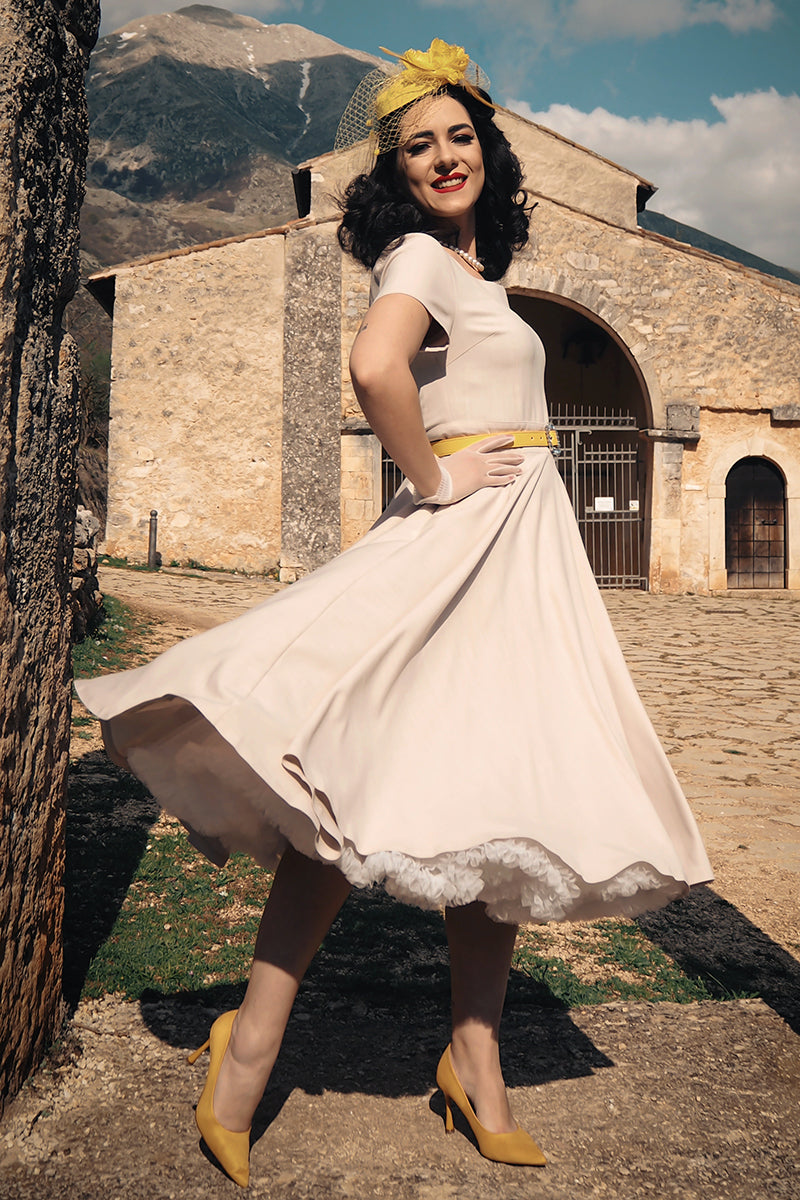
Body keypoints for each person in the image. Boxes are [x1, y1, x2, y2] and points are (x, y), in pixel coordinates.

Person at [76, 39, 712, 1188]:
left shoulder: (474, 269)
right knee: (345, 791)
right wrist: (434, 478)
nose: (443, 156)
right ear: (397, 171)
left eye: (458, 135)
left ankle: (474, 1062)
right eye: (419, 145)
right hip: (462, 540)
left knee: (499, 805)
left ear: (487, 149)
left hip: (515, 559)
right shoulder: (416, 253)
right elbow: (375, 370)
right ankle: (247, 1050)